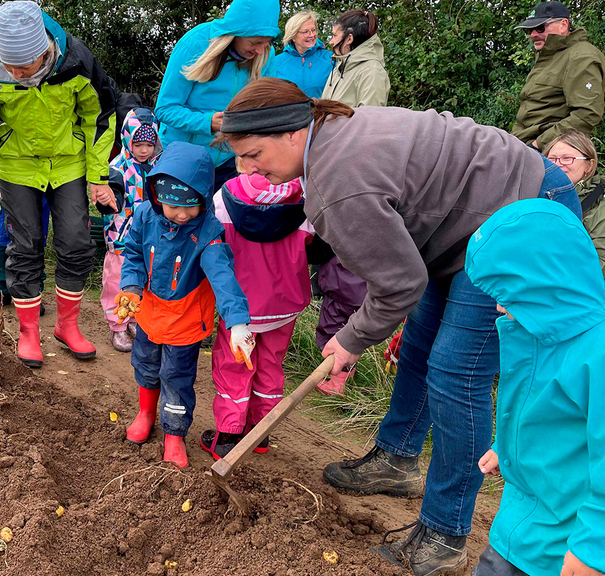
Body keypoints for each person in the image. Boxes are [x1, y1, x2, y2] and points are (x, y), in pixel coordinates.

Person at [214, 77, 580, 575]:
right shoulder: (330, 132)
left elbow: (399, 285)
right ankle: (397, 458)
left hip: (520, 210)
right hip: (465, 227)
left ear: (293, 132)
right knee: (423, 348)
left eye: (253, 153)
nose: (247, 168)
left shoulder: (335, 185)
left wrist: (350, 340)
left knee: (455, 374)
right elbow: (406, 274)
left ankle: (445, 533)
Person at [0, 0, 119, 368]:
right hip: (17, 168)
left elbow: (99, 118)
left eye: (25, 65)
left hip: (68, 165)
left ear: (45, 51)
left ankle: (68, 326)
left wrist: (98, 178)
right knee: (26, 245)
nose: (16, 73)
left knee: (77, 243)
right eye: (10, 65)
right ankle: (29, 332)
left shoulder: (77, 62)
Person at [466, 199, 605, 576]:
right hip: (519, 525)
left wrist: (594, 549)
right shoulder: (534, 335)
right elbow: (537, 410)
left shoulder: (596, 353)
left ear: (546, 282)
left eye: (508, 293)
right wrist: (505, 446)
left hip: (564, 549)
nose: (497, 307)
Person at [118, 141, 253, 469]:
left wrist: (238, 323)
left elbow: (224, 278)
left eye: (190, 205)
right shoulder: (146, 216)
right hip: (149, 312)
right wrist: (131, 289)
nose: (180, 214)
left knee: (177, 378)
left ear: (204, 198)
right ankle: (146, 413)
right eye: (171, 205)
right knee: (146, 366)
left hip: (186, 320)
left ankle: (174, 434)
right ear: (156, 196)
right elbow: (134, 252)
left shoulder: (208, 233)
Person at [200, 165, 312, 459]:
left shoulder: (225, 197)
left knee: (233, 365)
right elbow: (314, 244)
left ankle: (228, 434)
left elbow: (212, 239)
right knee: (271, 365)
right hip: (284, 304)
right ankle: (260, 432)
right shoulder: (305, 195)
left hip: (239, 304)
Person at [314, 9, 390, 395]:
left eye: (334, 30)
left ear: (348, 36)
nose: (329, 36)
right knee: (330, 268)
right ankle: (326, 359)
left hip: (349, 171)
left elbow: (370, 126)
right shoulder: (341, 65)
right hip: (327, 162)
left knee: (347, 270)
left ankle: (341, 369)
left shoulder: (370, 72)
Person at [154, 0, 280, 190]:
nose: (260, 51)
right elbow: (164, 109)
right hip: (184, 159)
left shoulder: (266, 55)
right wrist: (208, 122)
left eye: (266, 43)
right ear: (235, 32)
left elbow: (268, 108)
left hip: (232, 161)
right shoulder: (194, 44)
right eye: (255, 43)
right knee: (181, 218)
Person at [102, 108, 161, 352]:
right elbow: (109, 196)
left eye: (149, 143)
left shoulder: (159, 165)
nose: (144, 150)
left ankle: (136, 318)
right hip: (122, 237)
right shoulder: (118, 166)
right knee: (117, 281)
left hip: (150, 238)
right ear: (127, 139)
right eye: (138, 144)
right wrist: (108, 199)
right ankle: (117, 324)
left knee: (144, 281)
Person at [511, 1, 604, 148]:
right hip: (521, 144)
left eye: (540, 27)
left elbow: (586, 114)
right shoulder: (548, 56)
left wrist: (538, 145)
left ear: (563, 25)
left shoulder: (581, 56)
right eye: (528, 30)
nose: (533, 35)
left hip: (549, 151)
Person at [544, 131, 605, 274]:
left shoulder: (599, 206)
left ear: (589, 166)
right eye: (551, 159)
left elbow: (598, 266)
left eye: (567, 158)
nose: (558, 165)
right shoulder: (536, 194)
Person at [321, 9, 390, 107]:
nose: (331, 42)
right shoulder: (340, 67)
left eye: (334, 35)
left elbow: (370, 119)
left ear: (349, 39)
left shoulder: (372, 72)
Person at [267, 11, 332, 98]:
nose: (311, 35)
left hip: (322, 111)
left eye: (313, 30)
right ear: (293, 36)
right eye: (305, 32)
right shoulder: (276, 62)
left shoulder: (330, 59)